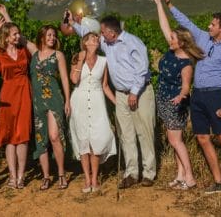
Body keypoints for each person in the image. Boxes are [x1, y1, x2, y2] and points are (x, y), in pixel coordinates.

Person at [62, 11, 156, 188]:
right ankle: (131, 173)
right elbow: (86, 36)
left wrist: (134, 93)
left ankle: (149, 173)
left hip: (140, 92)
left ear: (112, 32)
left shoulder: (133, 43)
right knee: (126, 134)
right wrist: (73, 23)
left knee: (144, 132)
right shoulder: (107, 43)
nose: (100, 36)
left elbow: (142, 70)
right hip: (121, 94)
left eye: (102, 32)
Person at [162, 0, 221, 195]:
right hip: (197, 95)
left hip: (215, 96)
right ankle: (218, 182)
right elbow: (185, 22)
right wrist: (170, 4)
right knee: (202, 138)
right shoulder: (202, 38)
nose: (209, 26)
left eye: (213, 24)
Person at [152, 0, 204, 191]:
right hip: (164, 100)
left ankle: (189, 177)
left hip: (175, 104)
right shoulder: (172, 51)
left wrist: (180, 97)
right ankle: (180, 175)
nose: (170, 39)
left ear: (181, 42)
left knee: (176, 141)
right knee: (176, 140)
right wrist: (158, 3)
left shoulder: (186, 63)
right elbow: (164, 26)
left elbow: (185, 87)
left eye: (173, 38)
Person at [0, 5, 34, 189]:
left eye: (18, 34)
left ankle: (20, 176)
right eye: (14, 34)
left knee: (23, 135)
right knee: (10, 136)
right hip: (8, 95)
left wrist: (6, 15)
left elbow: (26, 42)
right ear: (6, 37)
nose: (18, 36)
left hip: (24, 93)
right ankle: (11, 175)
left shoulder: (23, 50)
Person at [68, 31, 117, 193]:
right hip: (79, 101)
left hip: (97, 102)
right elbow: (74, 81)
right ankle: (87, 179)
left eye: (97, 38)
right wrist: (81, 60)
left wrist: (117, 102)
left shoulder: (104, 61)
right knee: (83, 140)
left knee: (97, 138)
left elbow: (105, 86)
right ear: (85, 42)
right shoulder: (77, 58)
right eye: (93, 38)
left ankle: (95, 178)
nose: (96, 40)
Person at [30, 25, 72, 190]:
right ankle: (46, 177)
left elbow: (64, 79)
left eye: (54, 35)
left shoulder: (58, 55)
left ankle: (61, 174)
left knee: (55, 137)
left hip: (54, 99)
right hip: (38, 101)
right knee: (41, 140)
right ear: (42, 37)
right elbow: (22, 38)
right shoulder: (34, 53)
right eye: (49, 35)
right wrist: (5, 15)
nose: (52, 38)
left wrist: (67, 100)